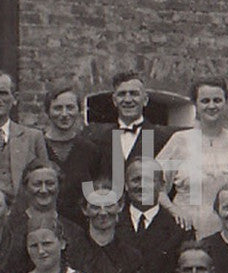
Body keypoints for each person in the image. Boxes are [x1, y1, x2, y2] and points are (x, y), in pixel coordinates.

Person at [63, 70, 174, 216]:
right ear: (114, 100)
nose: (128, 100)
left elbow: (169, 188)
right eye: (122, 94)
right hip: (107, 220)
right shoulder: (98, 139)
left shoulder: (163, 139)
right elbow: (86, 182)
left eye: (134, 94)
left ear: (145, 99)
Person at [156, 79, 228, 238]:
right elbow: (153, 184)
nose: (211, 106)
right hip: (186, 227)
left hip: (227, 228)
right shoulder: (179, 140)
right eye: (205, 101)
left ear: (225, 103)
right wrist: (174, 211)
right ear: (195, 105)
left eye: (217, 100)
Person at [119, 151, 186, 273]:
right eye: (136, 180)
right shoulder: (112, 223)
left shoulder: (178, 229)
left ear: (162, 186)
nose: (142, 186)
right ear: (126, 185)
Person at [8, 160, 89, 258]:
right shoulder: (10, 228)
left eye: (50, 183)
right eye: (37, 184)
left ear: (59, 186)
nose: (43, 190)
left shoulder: (74, 232)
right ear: (25, 188)